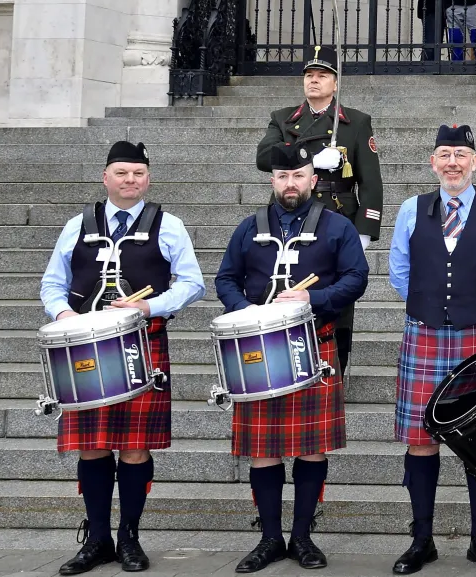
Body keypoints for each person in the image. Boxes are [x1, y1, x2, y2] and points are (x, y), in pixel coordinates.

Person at [40, 141, 205, 575]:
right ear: (105, 177)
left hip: (143, 344)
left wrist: (148, 307)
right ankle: (97, 539)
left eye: (138, 173)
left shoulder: (168, 225)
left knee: (134, 447)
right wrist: (66, 317)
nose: (130, 180)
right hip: (84, 347)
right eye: (121, 173)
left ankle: (129, 537)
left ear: (147, 178)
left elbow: (192, 283)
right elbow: (52, 283)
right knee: (91, 446)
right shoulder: (78, 224)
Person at [214, 143, 368, 573]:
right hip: (258, 348)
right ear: (272, 181)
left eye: (298, 176)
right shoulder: (250, 227)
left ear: (313, 180)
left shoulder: (337, 226)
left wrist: (313, 296)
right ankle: (268, 538)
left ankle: (302, 536)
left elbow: (357, 278)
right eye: (282, 177)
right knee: (262, 449)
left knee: (312, 448)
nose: (290, 184)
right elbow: (225, 278)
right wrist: (246, 311)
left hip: (313, 341)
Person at [388, 125, 476, 575]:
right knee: (420, 440)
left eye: (462, 154)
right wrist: (430, 305)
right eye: (445, 154)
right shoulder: (412, 209)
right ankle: (422, 539)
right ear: (433, 162)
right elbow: (398, 270)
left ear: (473, 162)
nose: (453, 162)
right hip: (425, 334)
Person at [255, 44, 382, 373]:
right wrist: (310, 159)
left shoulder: (356, 122)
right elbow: (263, 158)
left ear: (335, 83)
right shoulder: (283, 119)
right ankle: (285, 364)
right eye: (309, 75)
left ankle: (335, 368)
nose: (314, 80)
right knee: (286, 283)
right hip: (290, 211)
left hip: (337, 213)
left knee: (336, 293)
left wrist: (365, 230)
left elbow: (370, 181)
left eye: (322, 75)